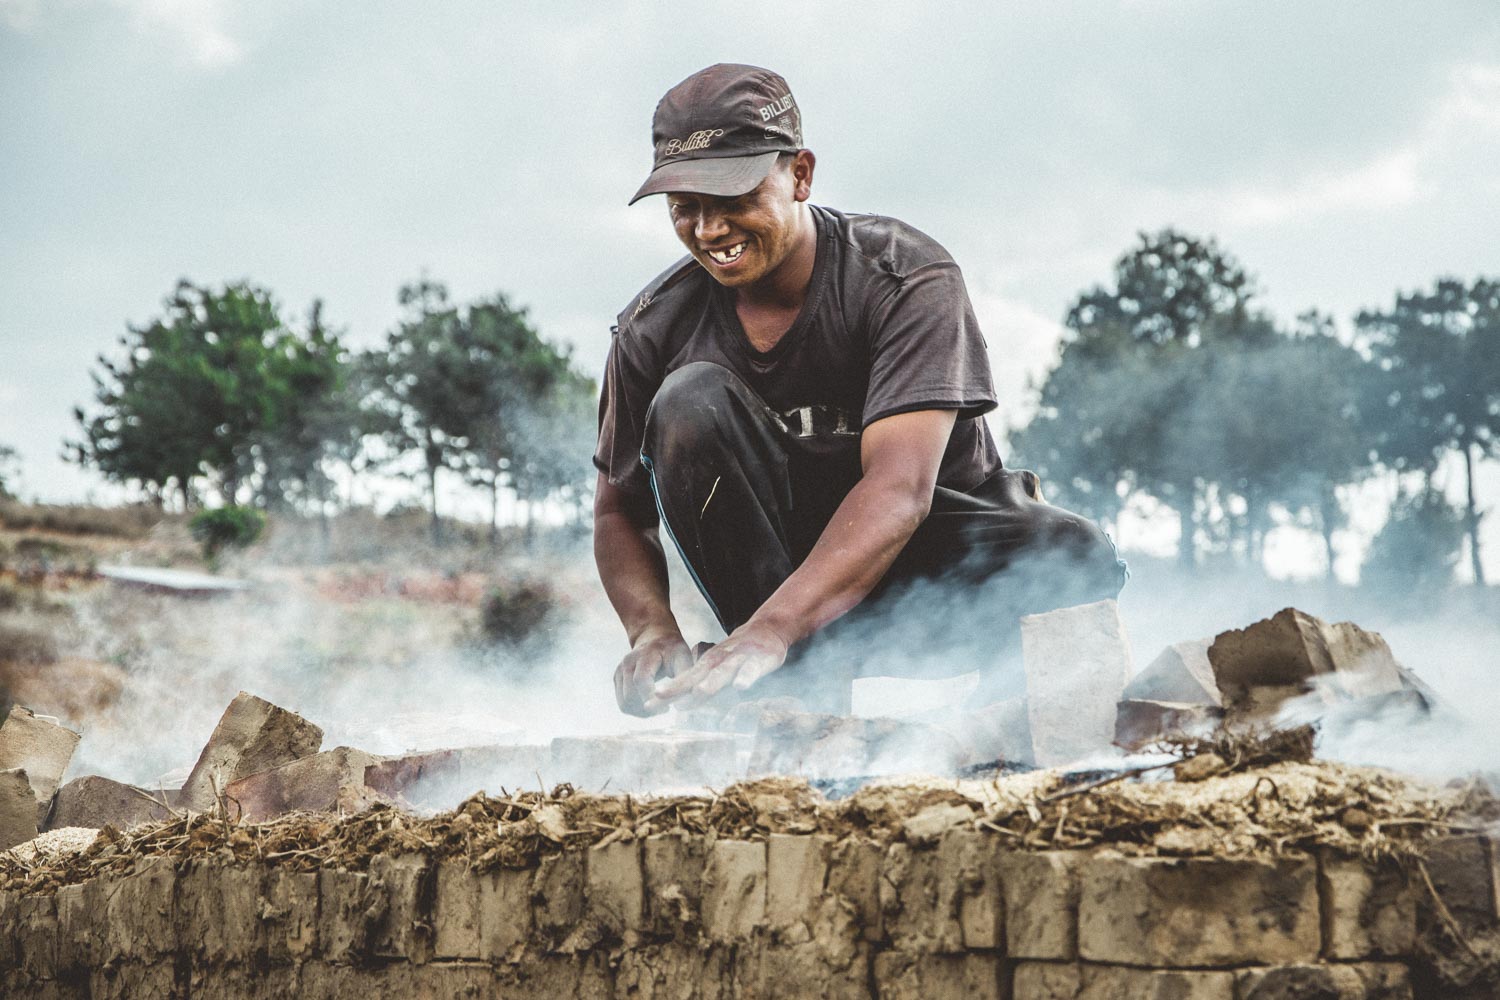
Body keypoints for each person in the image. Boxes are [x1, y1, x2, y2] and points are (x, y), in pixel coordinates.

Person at [594, 64, 1125, 718]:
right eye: (685, 208)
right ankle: (790, 701)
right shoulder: (653, 328)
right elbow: (619, 512)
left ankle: (978, 728)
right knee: (688, 401)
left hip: (923, 565)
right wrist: (652, 631)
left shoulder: (902, 279)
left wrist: (774, 628)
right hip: (776, 582)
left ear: (801, 175)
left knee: (1077, 561)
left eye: (733, 199)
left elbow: (899, 490)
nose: (709, 231)